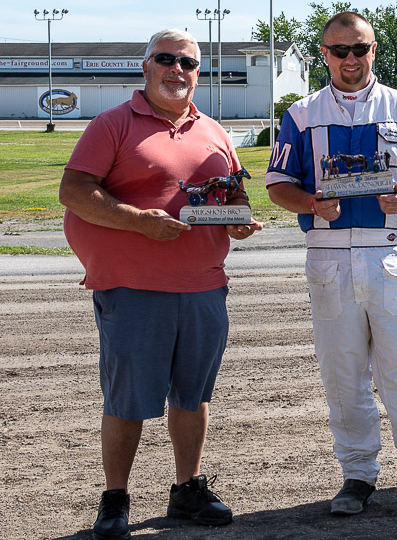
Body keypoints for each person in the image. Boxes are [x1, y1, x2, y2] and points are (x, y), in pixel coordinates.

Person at [58, 28, 262, 540]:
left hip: (203, 284)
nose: (177, 69)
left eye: (187, 62)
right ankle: (115, 498)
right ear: (146, 66)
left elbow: (232, 197)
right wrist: (137, 221)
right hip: (132, 286)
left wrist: (237, 221)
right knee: (126, 399)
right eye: (166, 59)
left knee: (193, 395)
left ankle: (187, 489)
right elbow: (74, 191)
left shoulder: (214, 131)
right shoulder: (113, 123)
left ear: (199, 72)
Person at [264, 11, 397, 523]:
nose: (350, 59)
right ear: (324, 54)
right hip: (327, 255)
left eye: (360, 48)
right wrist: (311, 204)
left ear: (374, 49)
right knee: (342, 375)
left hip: (388, 251)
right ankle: (357, 474)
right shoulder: (301, 113)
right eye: (339, 50)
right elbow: (278, 184)